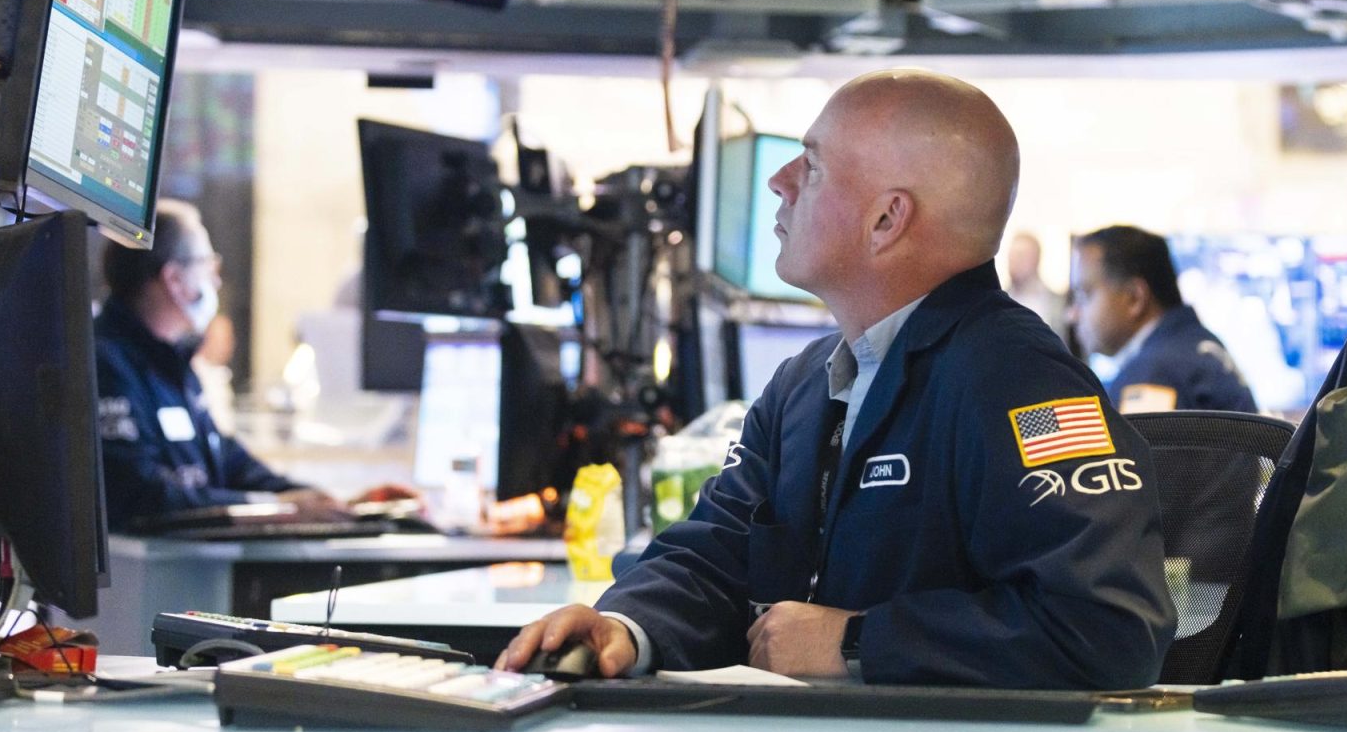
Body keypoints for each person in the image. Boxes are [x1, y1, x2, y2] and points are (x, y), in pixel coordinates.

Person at [498, 70, 1175, 688]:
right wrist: (623, 627)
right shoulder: (806, 383)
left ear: (887, 219)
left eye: (812, 166)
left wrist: (856, 641)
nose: (780, 179)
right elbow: (715, 553)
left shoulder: (1021, 382)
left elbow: (1107, 630)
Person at [96, 199, 413, 532]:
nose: (216, 283)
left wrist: (313, 498)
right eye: (209, 268)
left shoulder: (172, 363)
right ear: (174, 280)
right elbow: (141, 495)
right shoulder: (107, 364)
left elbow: (226, 460)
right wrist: (275, 507)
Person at [1068, 225, 1258, 415]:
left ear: (1135, 298)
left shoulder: (1152, 374)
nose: (1072, 314)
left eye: (1084, 295)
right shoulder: (1195, 344)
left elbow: (1138, 444)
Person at [1005, 231, 1067, 339]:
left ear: (1036, 258)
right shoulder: (999, 303)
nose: (1014, 262)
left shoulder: (1060, 304)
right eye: (1011, 256)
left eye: (1020, 256)